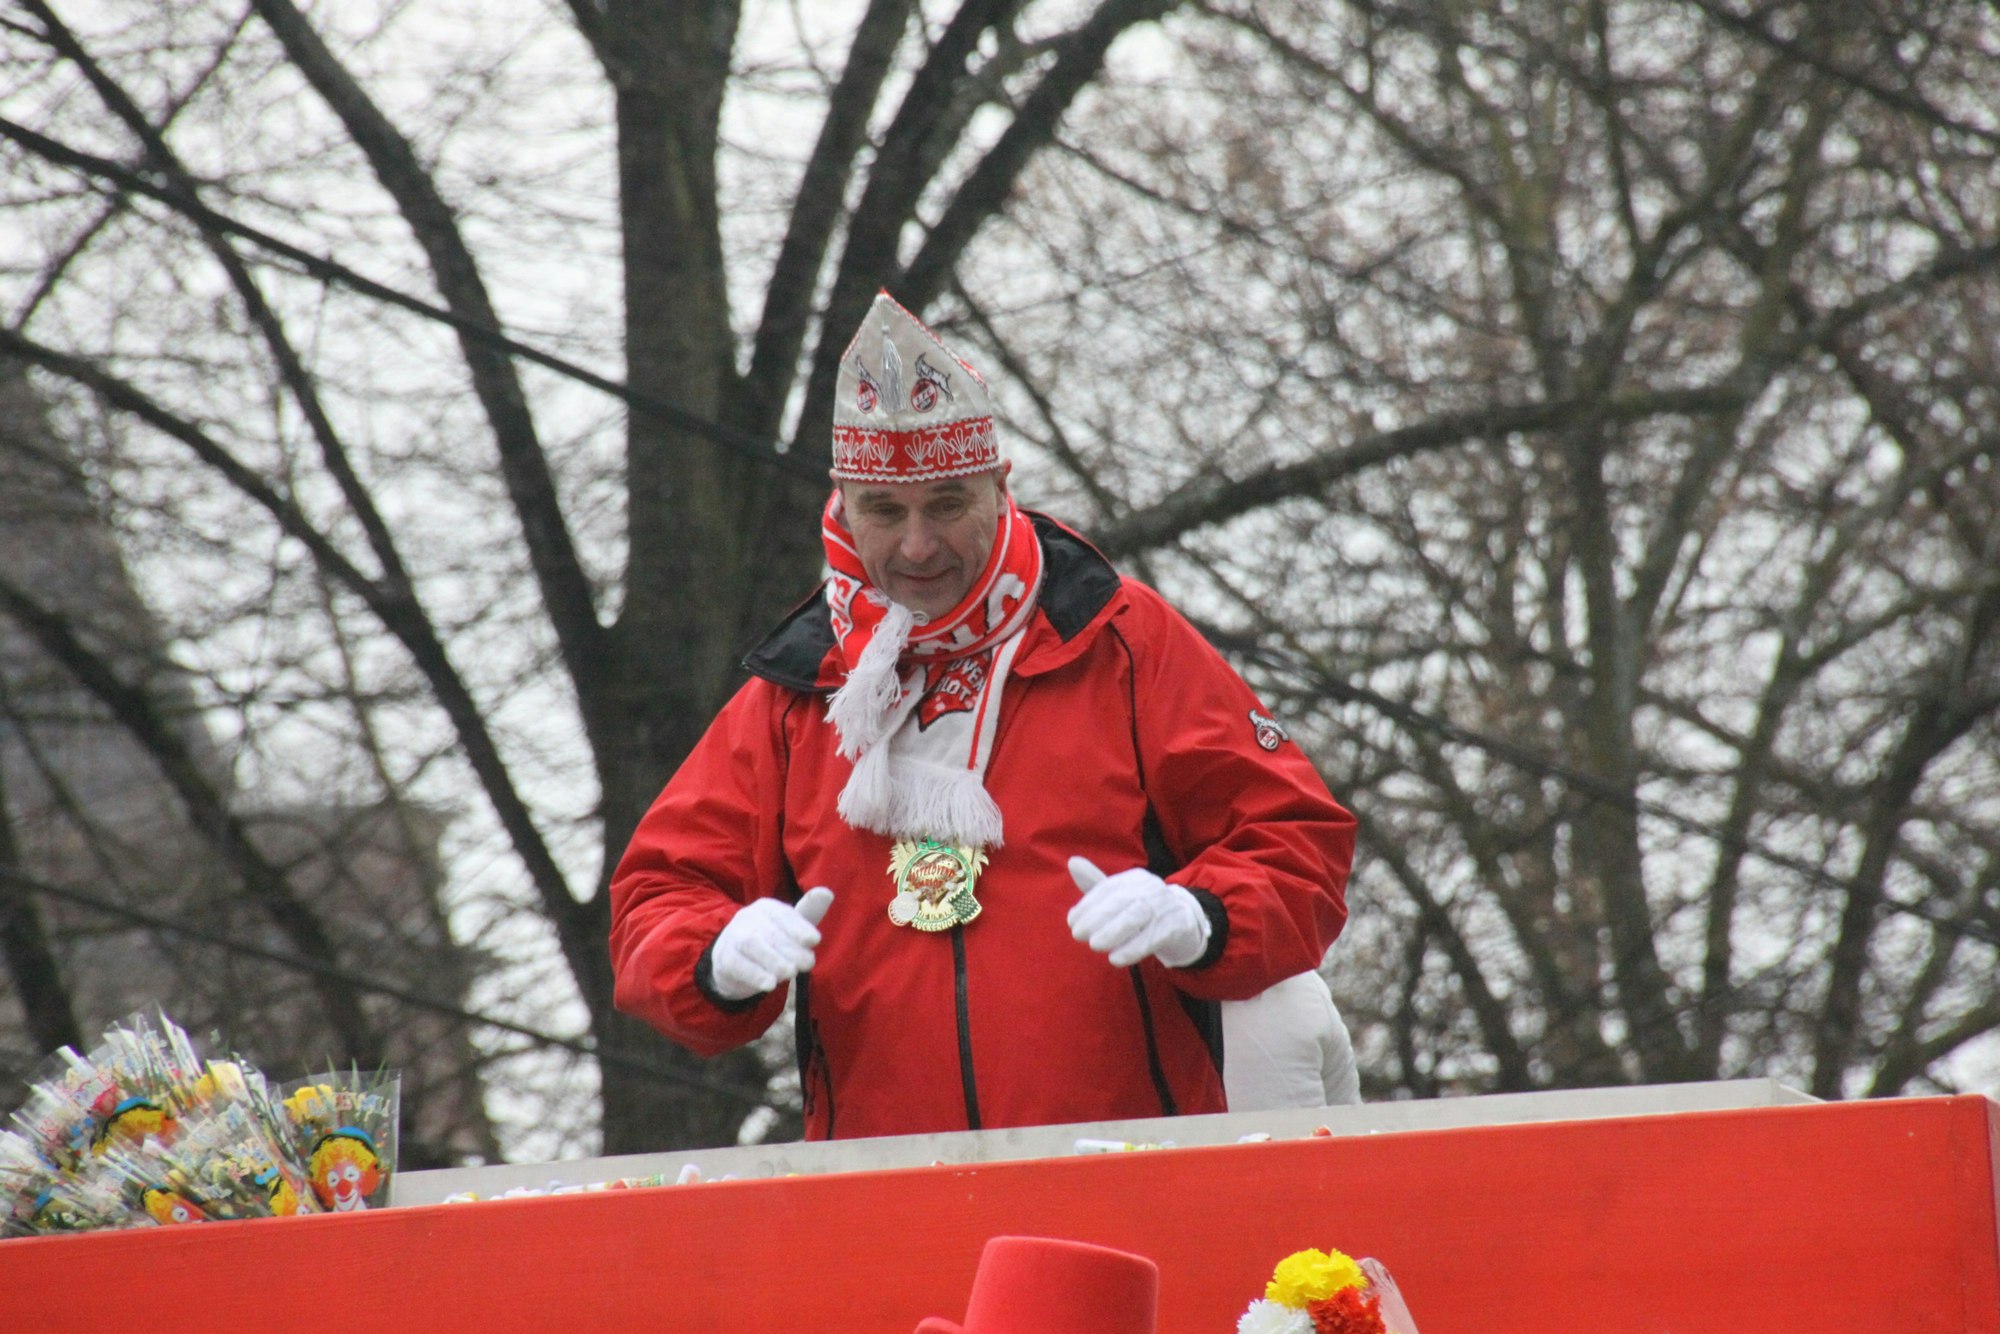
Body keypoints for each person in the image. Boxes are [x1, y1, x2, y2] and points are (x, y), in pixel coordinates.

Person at [608, 292, 1356, 1140]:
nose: (917, 546)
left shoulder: (1120, 640)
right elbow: (657, 896)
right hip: (883, 1186)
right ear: (842, 504)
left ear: (1000, 490)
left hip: (1126, 1167)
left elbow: (1298, 844)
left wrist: (1203, 916)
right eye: (885, 511)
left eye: (947, 504)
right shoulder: (798, 691)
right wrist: (712, 957)